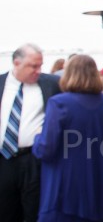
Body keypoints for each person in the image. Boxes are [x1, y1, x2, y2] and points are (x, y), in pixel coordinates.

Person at [32, 54, 103, 222]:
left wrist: (36, 138)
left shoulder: (59, 103)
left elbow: (46, 149)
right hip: (97, 179)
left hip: (65, 182)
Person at [0, 44, 61, 222]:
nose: (38, 71)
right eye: (33, 66)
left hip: (33, 160)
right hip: (4, 160)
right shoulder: (2, 84)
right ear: (16, 63)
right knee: (5, 211)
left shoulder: (50, 85)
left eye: (40, 66)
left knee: (33, 210)